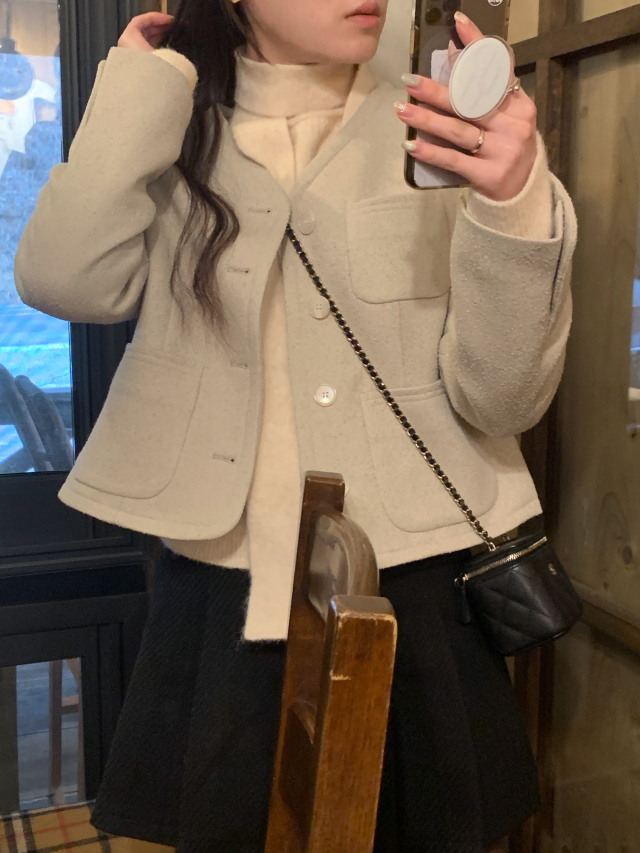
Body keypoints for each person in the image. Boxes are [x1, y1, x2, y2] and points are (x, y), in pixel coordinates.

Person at [13, 2, 578, 852]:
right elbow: (65, 282)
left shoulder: (440, 130)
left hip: (417, 584)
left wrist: (514, 201)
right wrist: (136, 90)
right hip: (225, 577)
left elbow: (503, 403)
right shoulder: (168, 130)